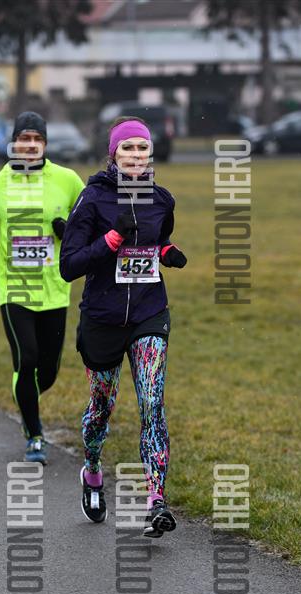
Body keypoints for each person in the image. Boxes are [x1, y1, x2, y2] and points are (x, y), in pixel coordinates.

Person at [60, 116, 187, 537]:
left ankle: (156, 501)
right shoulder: (92, 198)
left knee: (152, 403)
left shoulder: (162, 200)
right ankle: (92, 468)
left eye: (142, 147)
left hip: (150, 313)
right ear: (113, 153)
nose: (135, 155)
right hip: (103, 317)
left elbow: (154, 241)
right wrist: (111, 240)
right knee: (102, 407)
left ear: (151, 152)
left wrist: (166, 252)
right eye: (127, 147)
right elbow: (69, 265)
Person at [0, 111, 84, 464]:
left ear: (45, 144)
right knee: (27, 358)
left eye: (36, 139)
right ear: (13, 142)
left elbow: (89, 222)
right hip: (14, 288)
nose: (30, 145)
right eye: (23, 138)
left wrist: (69, 230)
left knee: (47, 372)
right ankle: (34, 436)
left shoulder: (67, 180)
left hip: (55, 289)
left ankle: (24, 395)